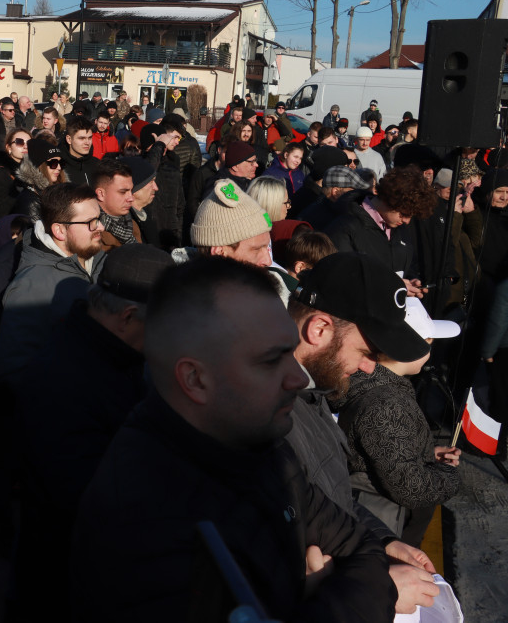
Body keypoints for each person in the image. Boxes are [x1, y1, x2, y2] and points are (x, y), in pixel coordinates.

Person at [71, 255, 397, 622]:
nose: (296, 377)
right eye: (271, 360)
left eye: (289, 352)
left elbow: (364, 549)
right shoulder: (141, 525)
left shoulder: (263, 445)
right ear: (195, 379)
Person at [14, 244, 173, 617]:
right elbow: (93, 501)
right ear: (128, 316)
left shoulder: (115, 354)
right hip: (70, 586)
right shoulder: (62, 383)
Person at [286, 252, 446, 612]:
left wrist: (383, 541)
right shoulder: (265, 417)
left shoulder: (312, 391)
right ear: (320, 329)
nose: (368, 368)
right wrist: (376, 591)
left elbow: (331, 499)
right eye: (365, 351)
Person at [341, 297, 461, 544]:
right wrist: (449, 475)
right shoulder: (386, 406)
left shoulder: (371, 380)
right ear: (410, 348)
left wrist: (425, 453)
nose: (432, 348)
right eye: (429, 341)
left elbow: (386, 446)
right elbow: (411, 488)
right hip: (392, 525)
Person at [0, 182, 106, 387]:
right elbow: (14, 374)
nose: (101, 227)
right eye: (91, 222)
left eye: (99, 218)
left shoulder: (97, 257)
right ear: (60, 231)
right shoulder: (29, 289)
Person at [326, 166, 436, 295]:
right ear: (389, 200)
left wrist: (412, 281)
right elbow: (340, 276)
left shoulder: (399, 227)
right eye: (404, 214)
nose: (407, 221)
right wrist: (391, 285)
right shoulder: (344, 226)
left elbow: (407, 264)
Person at [300, 165, 372, 232]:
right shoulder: (329, 221)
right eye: (353, 191)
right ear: (336, 192)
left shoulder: (317, 209)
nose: (357, 195)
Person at [11, 138, 63, 222]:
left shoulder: (57, 190)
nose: (59, 167)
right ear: (39, 166)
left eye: (61, 163)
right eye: (53, 163)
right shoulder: (29, 199)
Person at [92, 159, 138, 247]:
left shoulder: (132, 225)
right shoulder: (89, 230)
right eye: (123, 192)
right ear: (101, 194)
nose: (131, 198)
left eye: (131, 190)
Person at [60, 116, 96, 184]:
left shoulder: (98, 165)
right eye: (82, 138)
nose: (87, 143)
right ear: (69, 139)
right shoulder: (59, 169)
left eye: (90, 138)